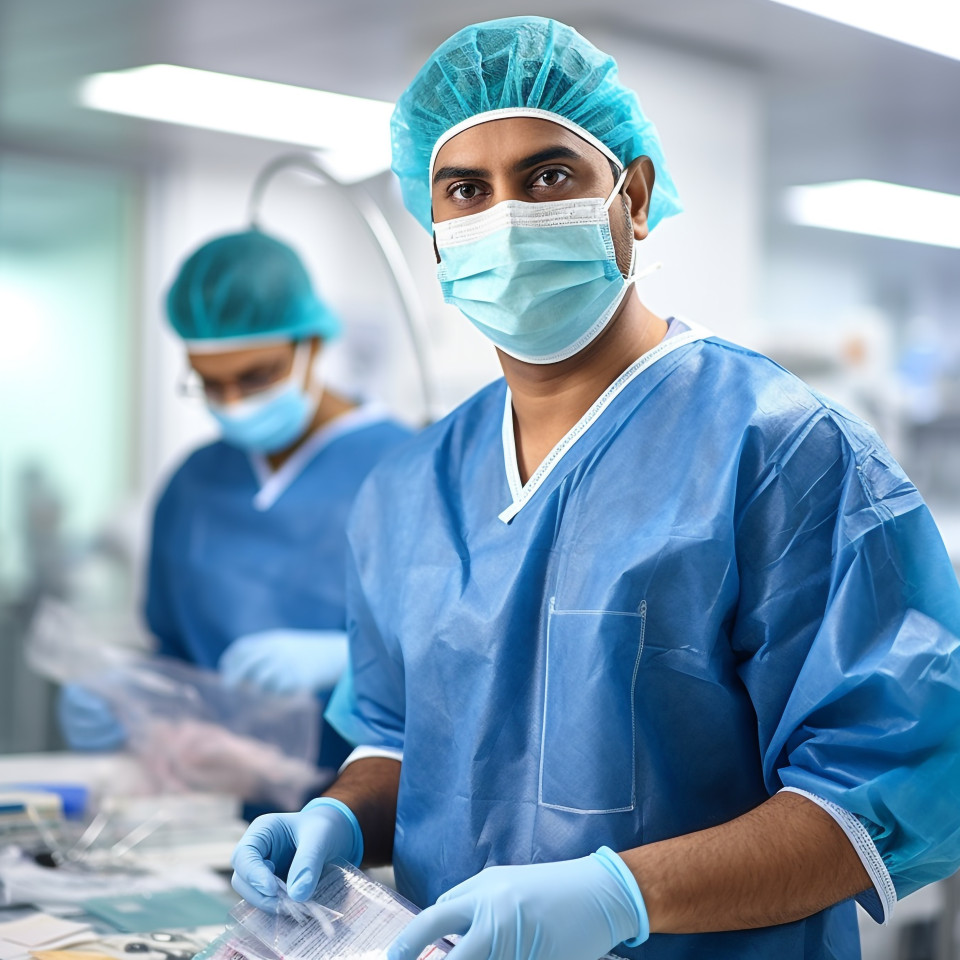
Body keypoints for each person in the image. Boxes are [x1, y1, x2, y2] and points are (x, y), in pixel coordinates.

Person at [230, 18, 960, 960]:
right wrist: (336, 816)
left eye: (547, 177)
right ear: (438, 232)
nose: (506, 215)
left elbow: (878, 793)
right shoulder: (412, 485)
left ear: (635, 195)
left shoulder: (783, 455)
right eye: (466, 190)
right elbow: (405, 744)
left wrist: (622, 897)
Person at [59, 229, 413, 779]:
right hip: (222, 798)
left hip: (371, 804)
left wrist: (347, 662)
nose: (234, 403)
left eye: (255, 377)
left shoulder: (407, 467)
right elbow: (177, 655)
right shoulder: (193, 483)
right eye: (210, 384)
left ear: (311, 345)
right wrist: (131, 697)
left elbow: (458, 657)